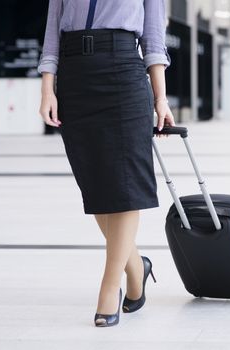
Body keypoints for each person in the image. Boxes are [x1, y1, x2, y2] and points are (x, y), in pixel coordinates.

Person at [37, 0, 175, 327]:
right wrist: (47, 88)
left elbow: (153, 40)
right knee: (96, 186)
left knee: (126, 185)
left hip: (123, 71)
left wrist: (160, 99)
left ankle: (109, 288)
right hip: (74, 79)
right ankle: (136, 267)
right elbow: (52, 34)